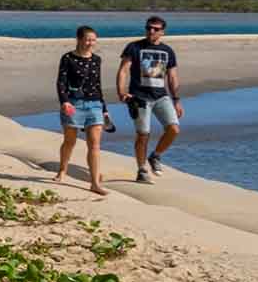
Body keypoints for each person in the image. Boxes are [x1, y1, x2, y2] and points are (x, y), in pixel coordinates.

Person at [117, 15, 182, 184]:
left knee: (174, 129)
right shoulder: (134, 47)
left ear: (162, 32)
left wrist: (176, 100)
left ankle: (156, 156)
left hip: (161, 96)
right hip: (139, 97)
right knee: (143, 134)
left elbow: (172, 76)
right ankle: (141, 169)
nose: (151, 31)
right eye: (148, 28)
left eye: (155, 29)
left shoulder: (168, 51)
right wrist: (121, 91)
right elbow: (124, 69)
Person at [55, 26, 109, 195]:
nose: (90, 43)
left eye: (93, 40)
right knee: (69, 141)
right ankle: (62, 170)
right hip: (74, 104)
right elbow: (61, 82)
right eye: (87, 39)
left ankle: (94, 183)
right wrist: (64, 102)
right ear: (78, 39)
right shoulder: (68, 58)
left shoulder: (97, 59)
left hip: (94, 105)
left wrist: (104, 109)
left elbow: (98, 85)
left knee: (94, 144)